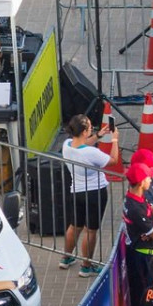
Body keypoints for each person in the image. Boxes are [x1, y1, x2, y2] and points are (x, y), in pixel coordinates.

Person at [58, 113, 113, 275]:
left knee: (74, 226)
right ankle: (86, 266)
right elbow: (113, 161)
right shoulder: (91, 153)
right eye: (90, 127)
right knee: (90, 230)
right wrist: (115, 140)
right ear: (84, 132)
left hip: (77, 192)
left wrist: (98, 136)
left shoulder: (67, 145)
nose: (92, 129)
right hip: (95, 193)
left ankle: (66, 258)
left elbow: (82, 144)